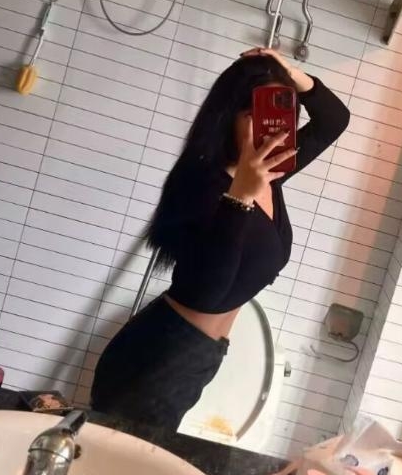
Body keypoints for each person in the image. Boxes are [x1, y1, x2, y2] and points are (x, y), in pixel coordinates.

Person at [91, 48, 350, 428]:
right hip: (158, 359)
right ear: (229, 117)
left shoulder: (269, 175)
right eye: (257, 117)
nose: (276, 131)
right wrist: (240, 197)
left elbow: (334, 120)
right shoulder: (203, 184)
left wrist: (287, 72)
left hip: (200, 356)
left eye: (283, 116)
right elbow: (207, 294)